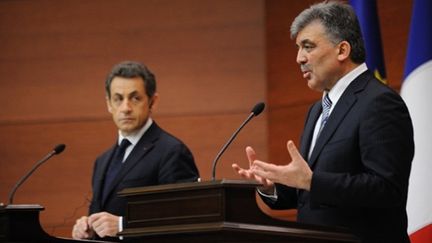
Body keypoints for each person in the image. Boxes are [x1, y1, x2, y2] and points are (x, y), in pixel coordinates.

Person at [232, 1, 414, 242]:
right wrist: (273, 186)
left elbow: (386, 189)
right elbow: (309, 193)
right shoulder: (317, 110)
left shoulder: (380, 103)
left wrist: (311, 180)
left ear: (342, 50)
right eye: (298, 48)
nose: (299, 58)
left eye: (308, 46)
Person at [72, 61, 200, 241]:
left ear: (152, 102)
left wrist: (124, 226)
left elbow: (185, 219)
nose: (125, 108)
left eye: (135, 98)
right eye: (118, 99)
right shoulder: (102, 161)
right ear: (109, 104)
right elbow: (102, 218)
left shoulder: (172, 151)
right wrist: (87, 227)